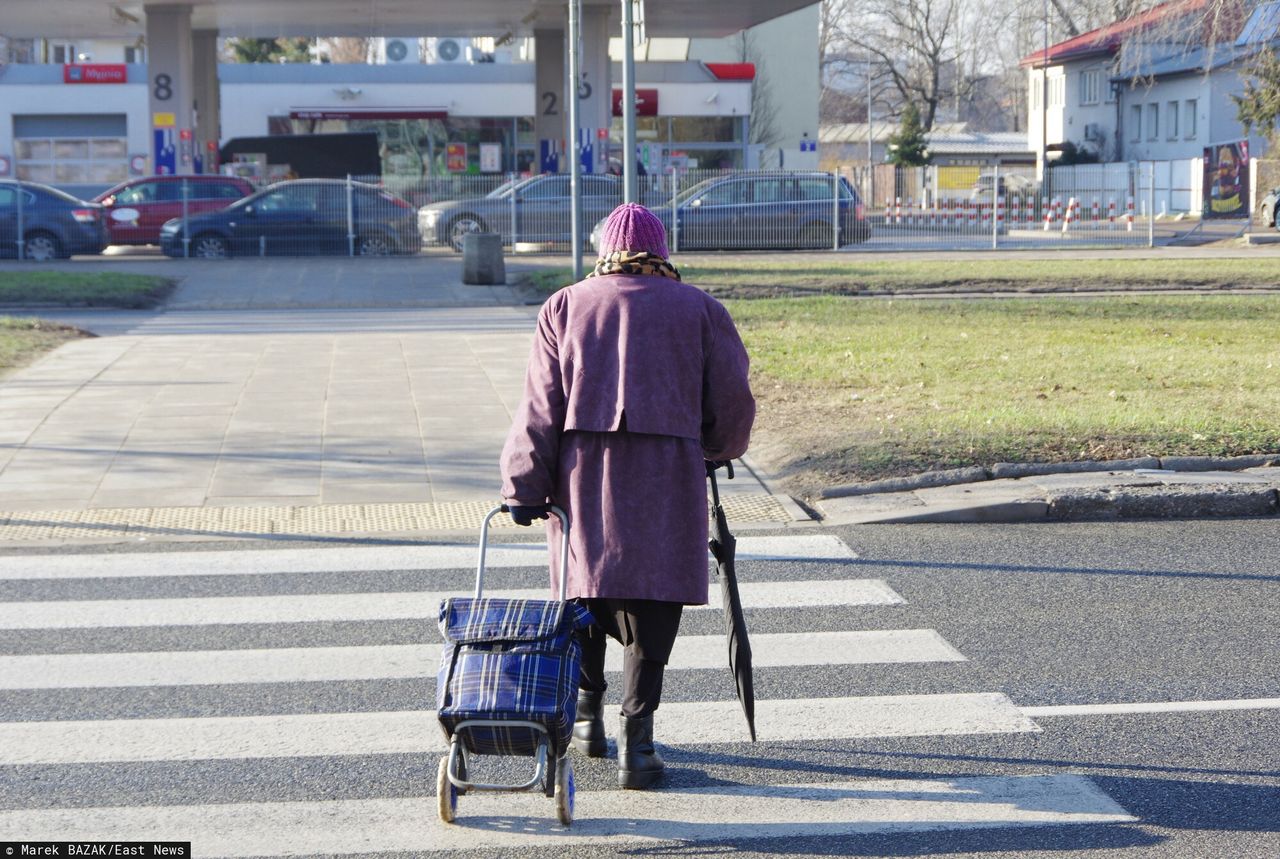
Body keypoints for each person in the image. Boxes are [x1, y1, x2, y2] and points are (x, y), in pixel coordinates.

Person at [500, 202, 755, 790]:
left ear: (604, 253)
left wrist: (523, 484)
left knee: (584, 590)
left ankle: (587, 719)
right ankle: (637, 743)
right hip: (669, 475)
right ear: (661, 252)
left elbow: (540, 406)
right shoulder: (700, 309)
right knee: (653, 600)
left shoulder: (565, 305)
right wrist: (716, 448)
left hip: (581, 476)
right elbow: (733, 401)